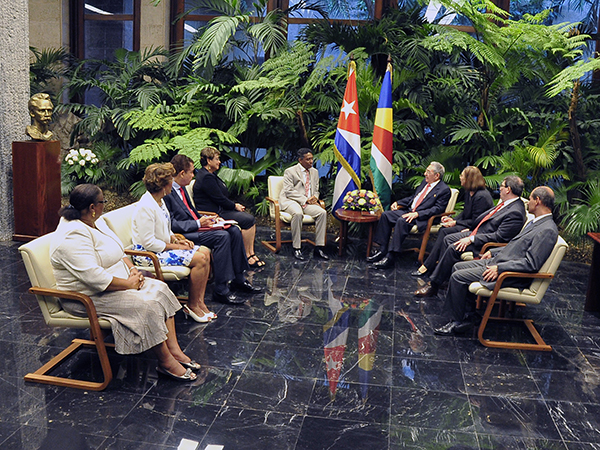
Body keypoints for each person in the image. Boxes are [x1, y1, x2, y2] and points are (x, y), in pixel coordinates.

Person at [50, 184, 199, 382]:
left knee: (161, 289)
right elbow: (94, 277)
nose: (106, 204)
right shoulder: (72, 234)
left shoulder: (96, 221)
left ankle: (174, 349)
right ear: (93, 207)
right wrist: (128, 284)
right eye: (103, 201)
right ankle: (165, 362)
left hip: (115, 283)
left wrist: (132, 269)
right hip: (85, 296)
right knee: (146, 305)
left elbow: (119, 252)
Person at [434, 186, 558, 336]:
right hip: (500, 261)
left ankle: (456, 322)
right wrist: (492, 252)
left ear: (537, 201)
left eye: (530, 199)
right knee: (457, 267)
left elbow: (531, 264)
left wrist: (500, 268)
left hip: (511, 274)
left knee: (458, 277)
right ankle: (468, 316)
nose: (527, 203)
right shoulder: (537, 223)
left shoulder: (547, 230)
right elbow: (517, 246)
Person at [164, 154, 261, 307]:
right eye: (191, 172)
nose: (193, 175)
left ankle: (239, 279)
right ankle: (221, 289)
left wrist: (209, 220)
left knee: (234, 230)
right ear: (182, 173)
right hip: (183, 234)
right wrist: (198, 223)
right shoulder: (167, 192)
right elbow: (171, 224)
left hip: (195, 225)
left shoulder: (181, 189)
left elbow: (191, 211)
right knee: (221, 236)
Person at [414, 175, 526, 297]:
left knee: (453, 247)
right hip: (478, 233)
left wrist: (472, 238)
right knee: (447, 238)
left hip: (485, 244)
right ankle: (444, 278)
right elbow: (484, 219)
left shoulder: (515, 211)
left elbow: (499, 237)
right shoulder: (505, 204)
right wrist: (471, 230)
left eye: (502, 186)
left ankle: (433, 285)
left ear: (508, 189)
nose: (499, 189)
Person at [132, 163, 215, 323]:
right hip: (148, 255)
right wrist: (176, 246)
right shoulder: (146, 207)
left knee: (205, 252)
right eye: (171, 180)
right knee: (200, 259)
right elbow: (149, 243)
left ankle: (199, 302)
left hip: (161, 248)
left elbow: (164, 228)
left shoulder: (160, 202)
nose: (173, 182)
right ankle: (191, 305)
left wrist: (176, 238)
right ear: (164, 185)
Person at [412, 166, 493, 277]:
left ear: (469, 179)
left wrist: (456, 223)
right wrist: (453, 219)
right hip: (468, 225)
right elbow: (465, 213)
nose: (460, 177)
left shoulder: (481, 196)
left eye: (462, 176)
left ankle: (430, 266)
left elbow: (476, 221)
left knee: (445, 232)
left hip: (476, 230)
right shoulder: (469, 192)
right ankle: (435, 266)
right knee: (444, 229)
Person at [368, 162, 452, 269]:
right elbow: (414, 198)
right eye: (426, 171)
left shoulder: (444, 190)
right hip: (410, 211)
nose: (425, 174)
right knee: (386, 215)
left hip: (422, 217)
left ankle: (391, 257)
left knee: (401, 221)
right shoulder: (424, 182)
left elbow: (437, 209)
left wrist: (417, 214)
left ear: (437, 176)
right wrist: (399, 203)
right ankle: (383, 250)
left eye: (428, 172)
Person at [193, 147, 264, 268]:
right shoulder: (206, 177)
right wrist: (234, 206)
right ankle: (247, 256)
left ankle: (251, 253)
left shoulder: (210, 175)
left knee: (250, 219)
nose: (219, 161)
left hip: (220, 209)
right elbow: (219, 198)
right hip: (213, 213)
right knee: (248, 220)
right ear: (208, 161)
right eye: (217, 159)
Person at [279, 148, 329, 261]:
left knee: (322, 213)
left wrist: (314, 198)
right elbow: (288, 191)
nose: (311, 161)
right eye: (308, 159)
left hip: (308, 202)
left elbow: (316, 189)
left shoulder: (314, 172)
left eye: (312, 159)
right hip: (291, 200)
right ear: (300, 160)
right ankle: (296, 248)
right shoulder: (290, 171)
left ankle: (319, 248)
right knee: (297, 213)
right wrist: (305, 199)